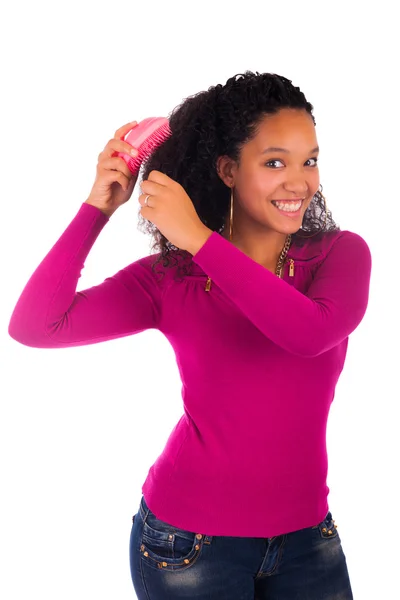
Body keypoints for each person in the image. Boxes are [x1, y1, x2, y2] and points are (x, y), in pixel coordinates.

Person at [8, 71, 372, 599]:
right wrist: (98, 208)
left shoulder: (340, 255)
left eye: (309, 160)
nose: (299, 182)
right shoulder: (170, 277)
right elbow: (36, 326)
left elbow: (307, 332)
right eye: (275, 162)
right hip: (189, 544)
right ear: (227, 169)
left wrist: (199, 238)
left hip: (307, 540)